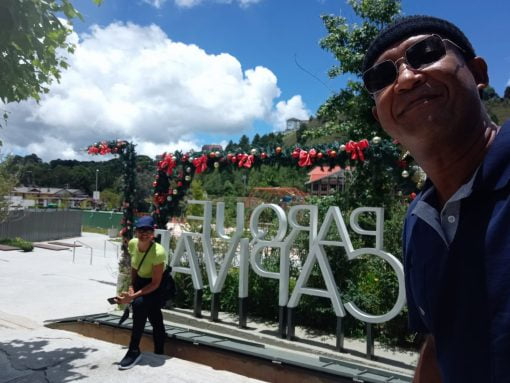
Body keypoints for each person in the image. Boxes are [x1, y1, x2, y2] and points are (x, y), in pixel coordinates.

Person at [362, 15, 510, 383]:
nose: (407, 78)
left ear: (477, 73)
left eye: (425, 53)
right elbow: (440, 338)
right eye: (383, 77)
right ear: (381, 118)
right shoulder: (419, 220)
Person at [116, 215, 167, 370]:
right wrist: (132, 287)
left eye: (148, 230)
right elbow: (134, 267)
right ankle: (159, 348)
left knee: (139, 305)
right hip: (140, 280)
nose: (144, 234)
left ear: (153, 233)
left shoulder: (158, 252)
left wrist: (134, 296)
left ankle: (134, 349)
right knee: (154, 315)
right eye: (141, 230)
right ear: (136, 232)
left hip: (156, 285)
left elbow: (155, 283)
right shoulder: (133, 244)